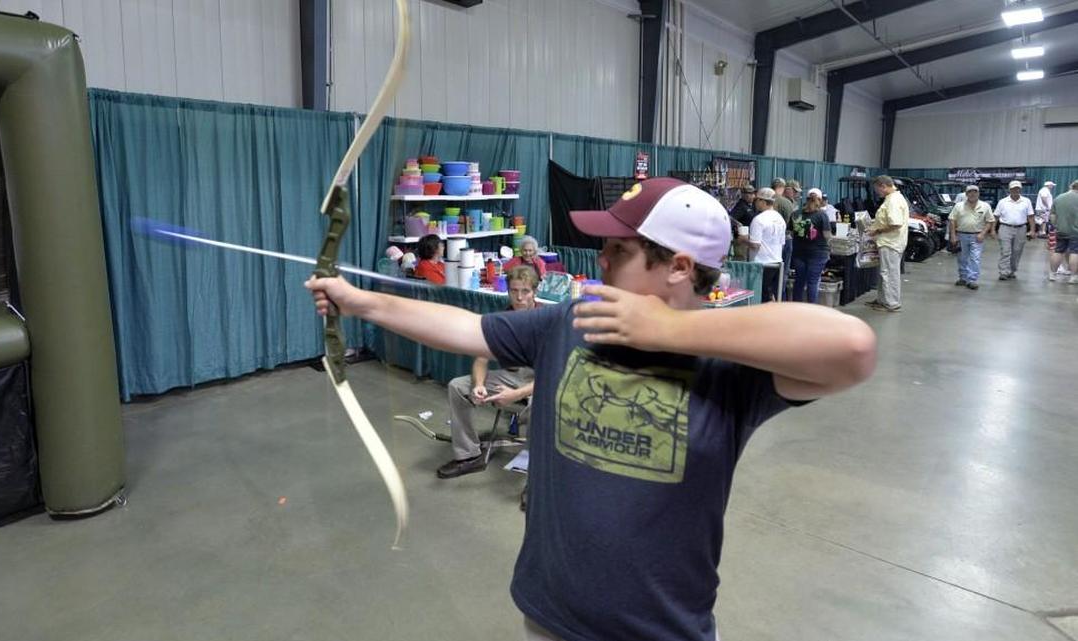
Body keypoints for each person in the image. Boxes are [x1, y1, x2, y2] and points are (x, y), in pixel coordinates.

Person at [305, 177, 877, 641]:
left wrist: (673, 330)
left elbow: (853, 349)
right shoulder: (572, 321)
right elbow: (468, 327)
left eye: (619, 250)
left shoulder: (730, 363)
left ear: (679, 267)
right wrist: (363, 301)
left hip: (657, 630)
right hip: (550, 614)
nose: (600, 258)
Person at [437, 266, 539, 479]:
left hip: (540, 380)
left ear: (535, 292)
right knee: (458, 386)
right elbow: (481, 359)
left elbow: (551, 375)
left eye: (525, 291)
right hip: (511, 376)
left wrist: (516, 395)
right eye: (514, 291)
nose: (519, 297)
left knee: (540, 406)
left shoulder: (544, 322)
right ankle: (468, 455)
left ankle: (536, 477)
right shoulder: (502, 320)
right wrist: (480, 385)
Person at [866, 175, 908, 312]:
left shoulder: (893, 201)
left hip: (891, 242)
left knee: (889, 274)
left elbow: (895, 224)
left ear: (883, 186)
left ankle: (891, 303)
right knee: (885, 273)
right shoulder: (892, 198)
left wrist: (877, 230)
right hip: (889, 242)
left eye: (877, 189)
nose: (877, 192)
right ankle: (882, 299)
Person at [948, 185, 995, 290]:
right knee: (962, 258)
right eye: (970, 192)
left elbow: (989, 221)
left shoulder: (985, 206)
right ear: (966, 194)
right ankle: (963, 278)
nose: (972, 194)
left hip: (977, 236)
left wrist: (983, 233)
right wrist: (953, 235)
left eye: (975, 192)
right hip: (961, 235)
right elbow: (952, 220)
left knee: (975, 258)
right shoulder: (959, 206)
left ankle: (972, 280)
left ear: (978, 193)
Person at [790, 195, 832, 303]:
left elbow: (789, 233)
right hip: (818, 253)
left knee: (799, 280)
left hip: (799, 252)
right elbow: (827, 235)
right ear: (819, 202)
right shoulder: (822, 215)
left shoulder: (796, 214)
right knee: (812, 282)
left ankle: (796, 306)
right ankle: (811, 308)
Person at [748, 187, 787, 301]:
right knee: (771, 295)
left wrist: (743, 239)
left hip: (762, 263)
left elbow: (755, 245)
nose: (755, 203)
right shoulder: (780, 219)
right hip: (776, 262)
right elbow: (782, 243)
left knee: (760, 297)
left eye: (757, 200)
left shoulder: (759, 219)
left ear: (763, 201)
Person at [995, 180, 1036, 281]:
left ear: (1020, 189)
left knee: (1017, 251)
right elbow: (995, 217)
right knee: (1005, 251)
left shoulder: (1026, 201)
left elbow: (1031, 217)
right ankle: (1003, 272)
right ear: (1010, 189)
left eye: (1017, 188)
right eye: (1013, 188)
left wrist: (1032, 230)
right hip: (1005, 228)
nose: (1016, 190)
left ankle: (1012, 270)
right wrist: (992, 230)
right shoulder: (1002, 202)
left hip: (1021, 229)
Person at [1048, 180, 1078, 283]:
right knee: (1075, 252)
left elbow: (1052, 215)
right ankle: (1073, 277)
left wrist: (1057, 225)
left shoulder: (1059, 198)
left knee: (1058, 251)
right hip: (1076, 231)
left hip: (1061, 230)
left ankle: (1052, 274)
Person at [773, 178, 797, 272]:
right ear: (783, 188)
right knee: (783, 271)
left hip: (767, 240)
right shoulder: (787, 203)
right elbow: (792, 224)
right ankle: (780, 287)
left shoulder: (762, 199)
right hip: (785, 237)